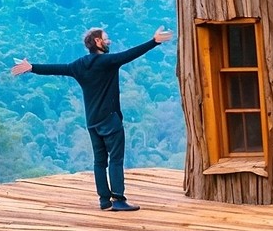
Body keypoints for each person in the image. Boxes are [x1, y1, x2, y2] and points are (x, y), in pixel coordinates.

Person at [11, 26, 173, 212]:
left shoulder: (78, 65)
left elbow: (57, 68)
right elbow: (130, 54)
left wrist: (31, 67)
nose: (109, 41)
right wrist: (153, 42)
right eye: (106, 38)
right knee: (116, 160)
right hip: (111, 121)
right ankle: (118, 199)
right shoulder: (107, 61)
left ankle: (104, 201)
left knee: (99, 162)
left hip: (92, 122)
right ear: (97, 41)